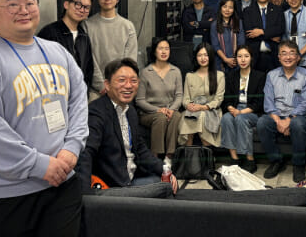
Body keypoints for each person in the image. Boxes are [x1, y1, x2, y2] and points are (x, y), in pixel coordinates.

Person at [0, 0, 88, 237]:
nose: (24, 10)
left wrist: (72, 148)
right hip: (3, 194)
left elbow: (79, 101)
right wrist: (40, 165)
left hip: (61, 185)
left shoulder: (58, 52)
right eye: (12, 4)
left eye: (30, 3)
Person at [76, 58, 178, 193]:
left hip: (131, 179)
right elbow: (85, 154)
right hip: (111, 186)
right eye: (122, 80)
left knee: (167, 185)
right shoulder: (97, 112)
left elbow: (141, 150)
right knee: (164, 191)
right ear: (107, 85)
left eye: (133, 81)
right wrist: (85, 195)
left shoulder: (130, 112)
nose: (128, 86)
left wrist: (165, 170)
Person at [257, 40, 306, 183]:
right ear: (279, 57)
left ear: (298, 57)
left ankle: (298, 164)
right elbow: (268, 102)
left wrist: (289, 120)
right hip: (277, 115)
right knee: (262, 122)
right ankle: (276, 161)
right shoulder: (271, 75)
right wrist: (278, 121)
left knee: (297, 124)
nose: (288, 57)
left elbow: (305, 104)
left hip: (300, 116)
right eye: (284, 53)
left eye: (292, 53)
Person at [85, 0, 138, 101]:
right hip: (96, 89)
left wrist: (119, 84)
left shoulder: (127, 26)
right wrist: (102, 86)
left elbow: (130, 60)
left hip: (121, 87)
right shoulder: (87, 25)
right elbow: (88, 58)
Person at [136, 38, 183, 167]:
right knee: (160, 117)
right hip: (149, 113)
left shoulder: (175, 71)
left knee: (176, 116)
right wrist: (157, 110)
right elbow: (139, 100)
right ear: (154, 51)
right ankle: (155, 157)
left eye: (166, 48)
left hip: (169, 110)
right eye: (160, 48)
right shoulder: (146, 72)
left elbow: (179, 96)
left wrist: (172, 109)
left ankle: (169, 157)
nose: (164, 51)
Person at [38, 0, 94, 93]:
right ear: (66, 5)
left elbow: (88, 70)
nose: (82, 10)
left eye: (86, 7)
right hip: (54, 93)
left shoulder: (84, 36)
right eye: (78, 4)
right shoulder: (49, 32)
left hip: (78, 95)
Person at [220, 45, 266, 174]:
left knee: (241, 119)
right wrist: (231, 108)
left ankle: (249, 159)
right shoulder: (231, 76)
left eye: (246, 56)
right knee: (226, 119)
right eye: (239, 56)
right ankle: (234, 158)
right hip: (235, 108)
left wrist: (240, 112)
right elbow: (227, 98)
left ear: (251, 58)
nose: (243, 59)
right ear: (236, 59)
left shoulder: (259, 76)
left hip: (252, 111)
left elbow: (259, 103)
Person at [178, 43, 226, 147]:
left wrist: (203, 107)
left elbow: (218, 99)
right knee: (188, 117)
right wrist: (189, 106)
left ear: (210, 56)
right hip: (192, 110)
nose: (203, 58)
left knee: (202, 116)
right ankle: (189, 152)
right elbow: (185, 99)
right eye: (200, 55)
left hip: (212, 110)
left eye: (206, 55)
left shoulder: (219, 75)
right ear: (196, 57)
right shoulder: (189, 76)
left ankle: (206, 152)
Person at [243, 0, 285, 73]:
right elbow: (249, 33)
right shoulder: (248, 11)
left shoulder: (278, 10)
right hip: (255, 55)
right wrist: (271, 35)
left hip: (274, 55)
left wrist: (262, 32)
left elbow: (280, 29)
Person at [211, 0, 245, 73]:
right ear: (220, 8)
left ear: (234, 10)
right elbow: (215, 46)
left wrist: (235, 59)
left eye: (230, 7)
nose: (227, 10)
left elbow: (241, 43)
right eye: (224, 7)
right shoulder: (214, 25)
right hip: (220, 62)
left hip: (237, 61)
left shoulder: (239, 23)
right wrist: (225, 59)